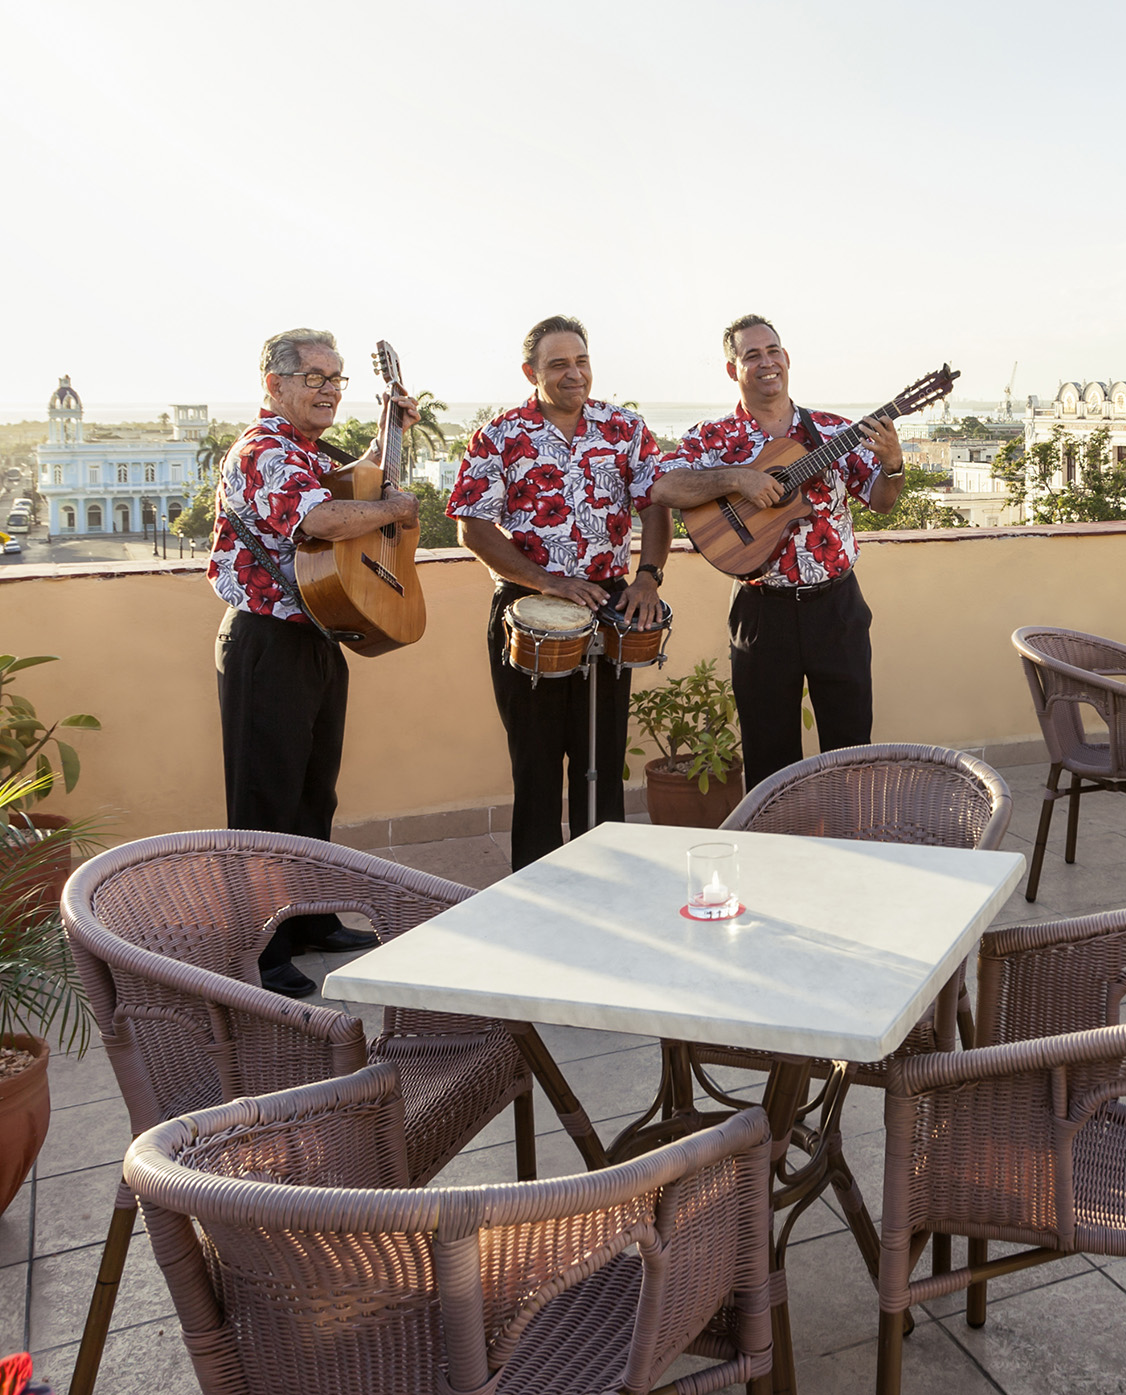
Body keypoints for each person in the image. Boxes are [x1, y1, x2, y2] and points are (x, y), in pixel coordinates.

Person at [210, 326, 420, 997]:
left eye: (336, 378)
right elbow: (323, 519)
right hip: (266, 643)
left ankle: (309, 920)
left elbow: (350, 483)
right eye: (314, 377)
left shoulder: (303, 449)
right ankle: (260, 951)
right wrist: (392, 508)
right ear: (274, 384)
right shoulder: (263, 449)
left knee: (311, 795)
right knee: (264, 802)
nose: (328, 389)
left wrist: (394, 431)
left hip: (316, 634)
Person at [447, 315, 670, 868]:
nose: (575, 375)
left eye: (582, 361)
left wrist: (648, 575)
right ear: (531, 372)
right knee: (537, 761)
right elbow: (471, 527)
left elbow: (656, 506)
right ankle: (538, 895)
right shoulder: (499, 435)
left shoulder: (625, 428)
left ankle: (609, 881)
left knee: (602, 753)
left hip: (608, 600)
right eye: (558, 365)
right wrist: (547, 581)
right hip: (528, 604)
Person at [650, 313, 901, 783]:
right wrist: (737, 477)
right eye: (752, 355)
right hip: (762, 612)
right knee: (769, 758)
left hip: (837, 608)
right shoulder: (714, 438)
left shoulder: (831, 430)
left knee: (851, 752)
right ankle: (778, 854)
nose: (766, 363)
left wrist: (893, 465)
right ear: (733, 370)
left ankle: (849, 853)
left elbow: (883, 501)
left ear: (786, 359)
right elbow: (664, 488)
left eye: (773, 352)